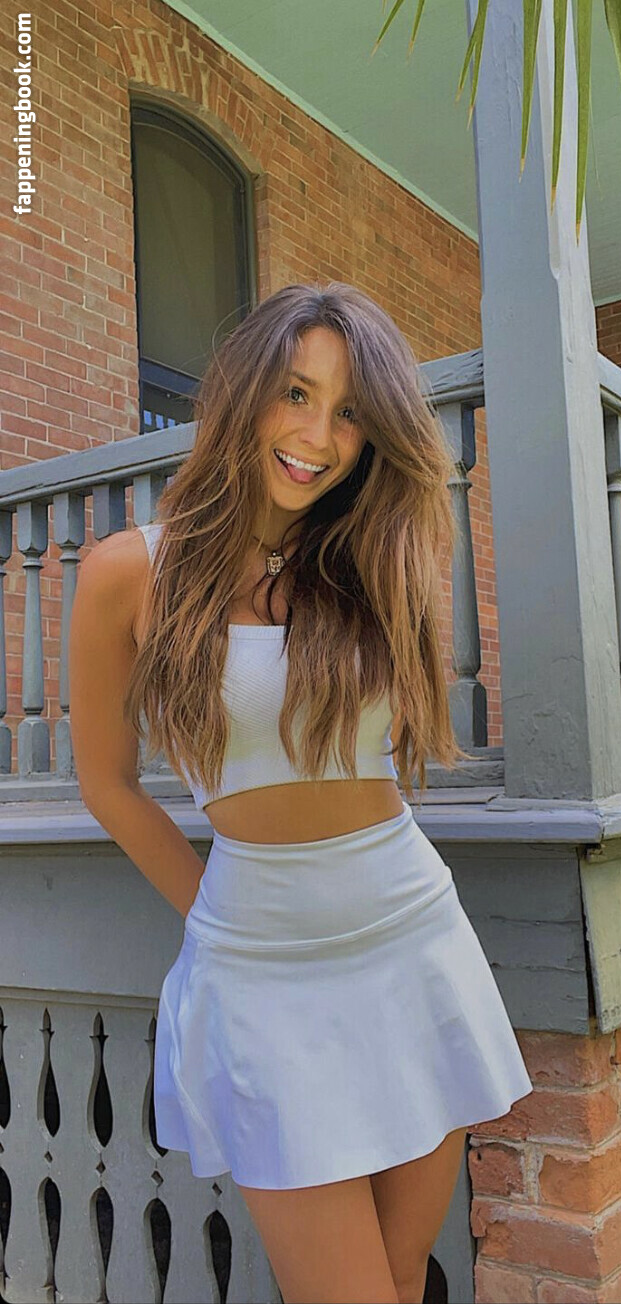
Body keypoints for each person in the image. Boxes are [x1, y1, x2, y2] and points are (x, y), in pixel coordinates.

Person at [70, 281, 533, 1304]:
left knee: (402, 1277)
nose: (318, 437)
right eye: (295, 393)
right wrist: (217, 910)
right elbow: (106, 781)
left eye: (351, 412)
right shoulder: (125, 572)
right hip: (264, 971)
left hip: (410, 935)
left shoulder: (365, 558)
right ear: (244, 392)